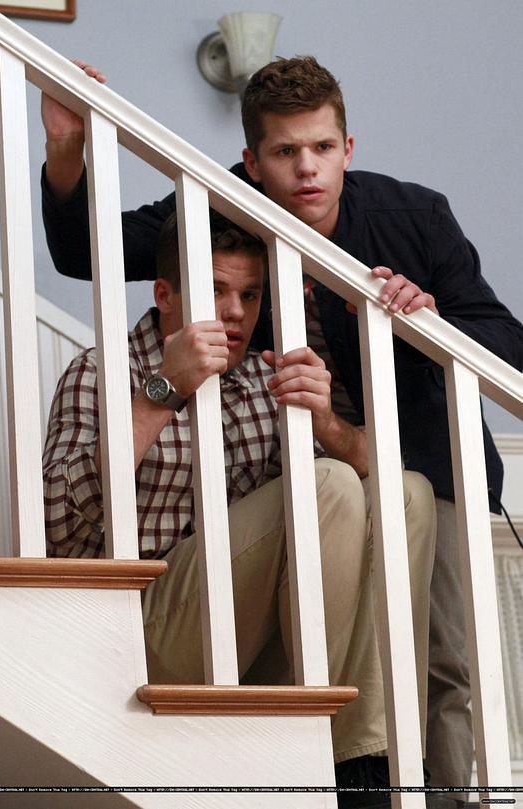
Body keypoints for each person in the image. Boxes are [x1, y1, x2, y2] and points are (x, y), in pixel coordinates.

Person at [40, 56, 523, 799]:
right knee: (331, 511)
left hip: (418, 451)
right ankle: (340, 758)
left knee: (442, 660)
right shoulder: (218, 211)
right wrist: (67, 151)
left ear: (347, 148)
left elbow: (504, 342)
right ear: (252, 161)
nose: (306, 169)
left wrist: (425, 323)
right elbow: (85, 249)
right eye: (285, 151)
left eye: (323, 148)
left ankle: (426, 790)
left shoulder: (414, 216)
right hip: (286, 453)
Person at [43, 211, 438, 807]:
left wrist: (327, 422)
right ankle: (314, 736)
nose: (234, 313)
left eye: (250, 295)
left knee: (405, 492)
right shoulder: (102, 370)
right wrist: (164, 390)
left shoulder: (262, 377)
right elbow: (55, 525)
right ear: (165, 295)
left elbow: (359, 483)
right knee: (328, 484)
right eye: (216, 291)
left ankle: (367, 767)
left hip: (254, 639)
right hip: (137, 634)